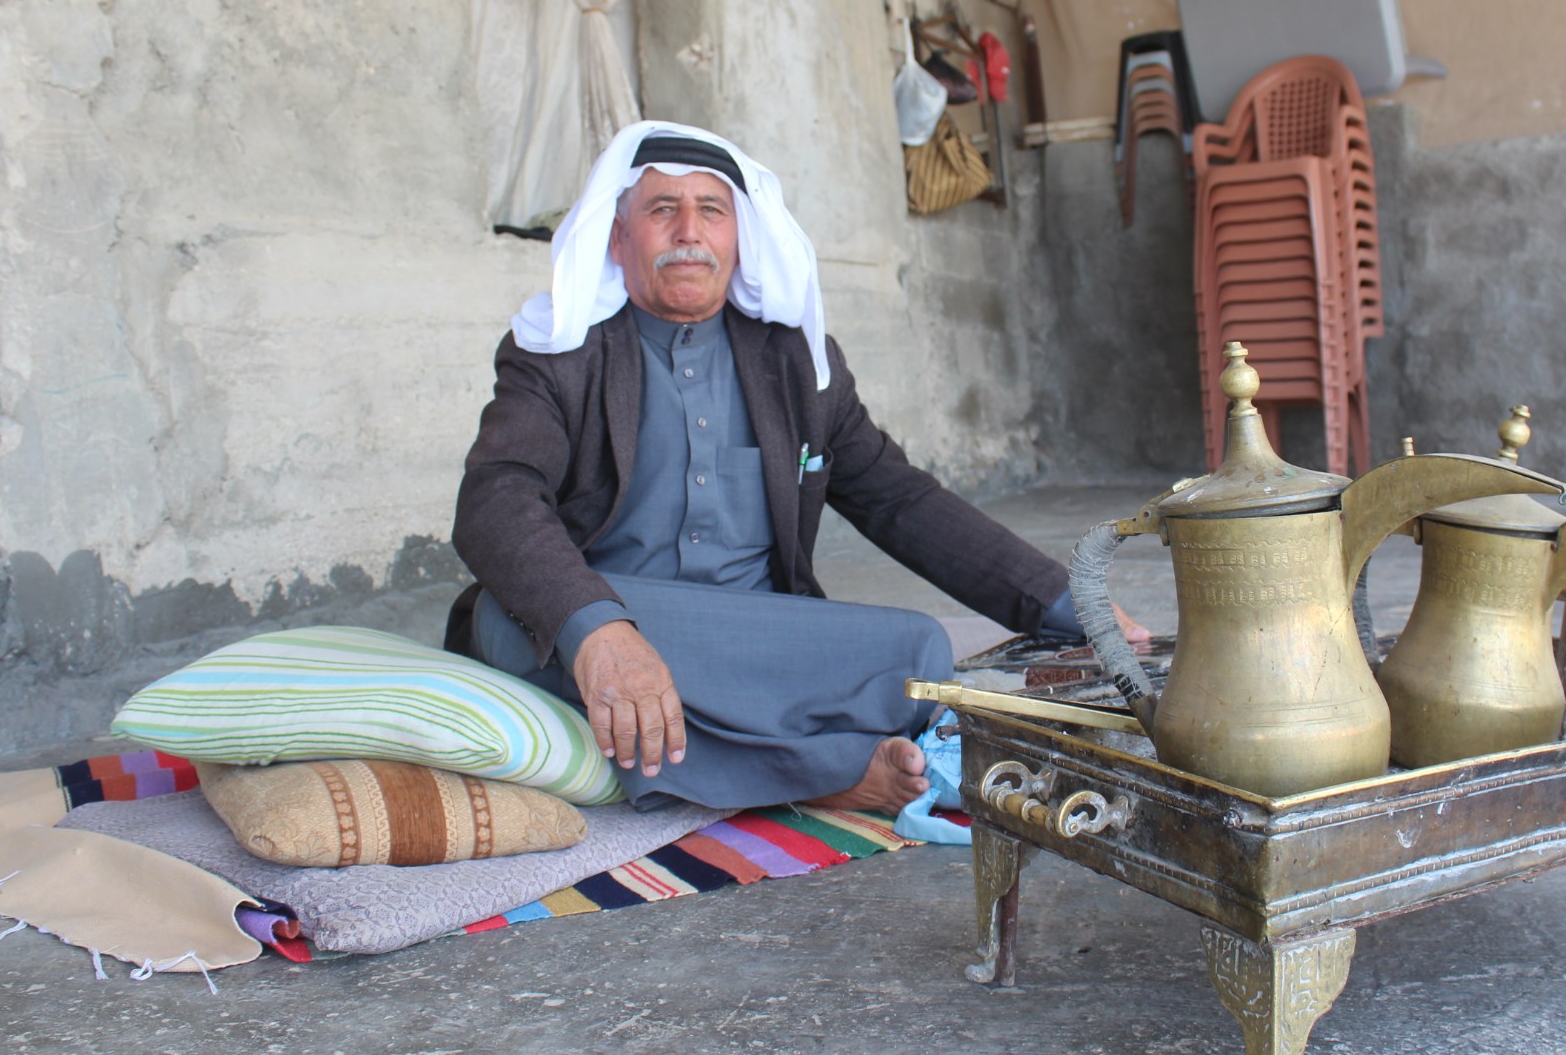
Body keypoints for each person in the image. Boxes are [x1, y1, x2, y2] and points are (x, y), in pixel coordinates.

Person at [451, 121, 1144, 815]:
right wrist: (597, 631)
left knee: (914, 657)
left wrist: (1067, 603)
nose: (688, 230)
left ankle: (720, 751)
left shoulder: (796, 362)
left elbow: (900, 500)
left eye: (712, 211)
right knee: (514, 623)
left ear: (740, 237)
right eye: (662, 210)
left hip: (763, 635)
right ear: (616, 237)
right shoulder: (558, 353)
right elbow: (497, 497)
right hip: (621, 614)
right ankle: (828, 772)